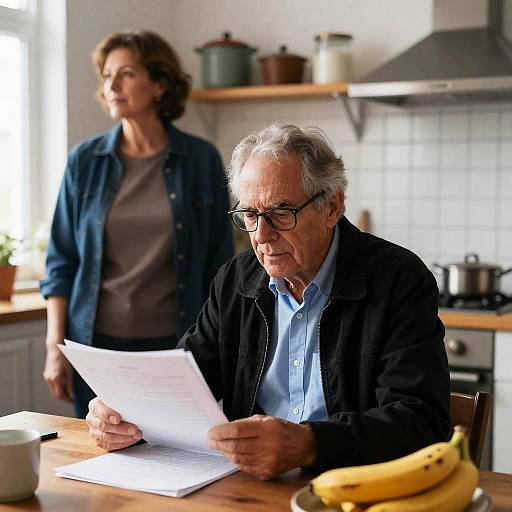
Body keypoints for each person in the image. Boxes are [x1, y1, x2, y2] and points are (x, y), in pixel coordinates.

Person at [86, 123, 450, 479]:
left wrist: (310, 444)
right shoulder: (234, 281)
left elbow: (421, 421)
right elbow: (186, 383)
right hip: (250, 487)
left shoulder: (400, 281)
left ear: (332, 207)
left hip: (357, 489)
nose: (261, 235)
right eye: (249, 214)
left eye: (281, 213)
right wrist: (123, 412)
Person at [40, 31, 234, 419]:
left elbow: (221, 265)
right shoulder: (85, 161)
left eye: (126, 73)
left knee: (174, 459)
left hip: (177, 347)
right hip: (95, 347)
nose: (111, 85)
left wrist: (223, 348)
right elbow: (61, 261)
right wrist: (54, 347)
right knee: (103, 460)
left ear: (159, 83)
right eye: (106, 74)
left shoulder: (201, 160)